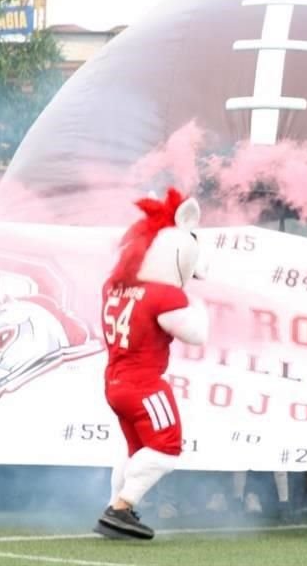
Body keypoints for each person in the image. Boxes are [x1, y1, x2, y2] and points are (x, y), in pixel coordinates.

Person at [94, 188, 209, 540]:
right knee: (166, 447)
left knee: (137, 450)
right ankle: (121, 507)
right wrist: (198, 307)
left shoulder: (114, 288)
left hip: (114, 381)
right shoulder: (164, 295)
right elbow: (195, 334)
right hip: (143, 382)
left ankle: (117, 505)